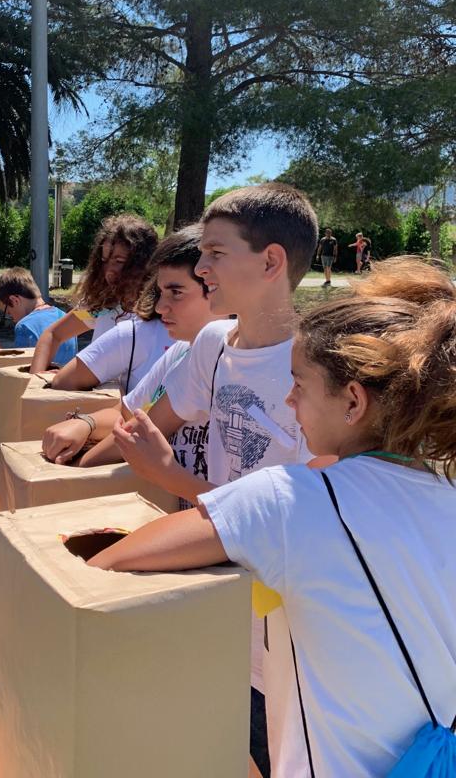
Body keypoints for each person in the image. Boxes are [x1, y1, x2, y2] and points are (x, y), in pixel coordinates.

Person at [89, 256, 456, 778]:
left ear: (353, 401)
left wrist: (166, 475)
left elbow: (111, 562)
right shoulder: (444, 486)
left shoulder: (295, 499)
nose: (289, 399)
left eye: (299, 385)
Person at [109, 183, 319, 776]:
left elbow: (295, 521)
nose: (201, 268)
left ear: (272, 262)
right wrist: (97, 431)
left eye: (216, 253)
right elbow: (151, 419)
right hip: (222, 593)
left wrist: (169, 474)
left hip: (287, 622)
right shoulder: (211, 344)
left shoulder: (320, 371)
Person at [42, 227, 217, 492]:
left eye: (176, 292)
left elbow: (137, 430)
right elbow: (129, 415)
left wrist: (73, 473)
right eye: (104, 260)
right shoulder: (179, 351)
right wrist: (86, 424)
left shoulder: (213, 357)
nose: (160, 307)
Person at [29, 215, 158, 373]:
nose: (109, 270)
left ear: (144, 263)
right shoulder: (99, 308)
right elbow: (53, 335)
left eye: (119, 261)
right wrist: (36, 380)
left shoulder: (162, 312)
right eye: (104, 260)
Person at [0, 267, 77, 365]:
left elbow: (21, 369)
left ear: (15, 300)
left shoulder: (24, 326)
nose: (13, 319)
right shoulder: (65, 317)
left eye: (8, 313)